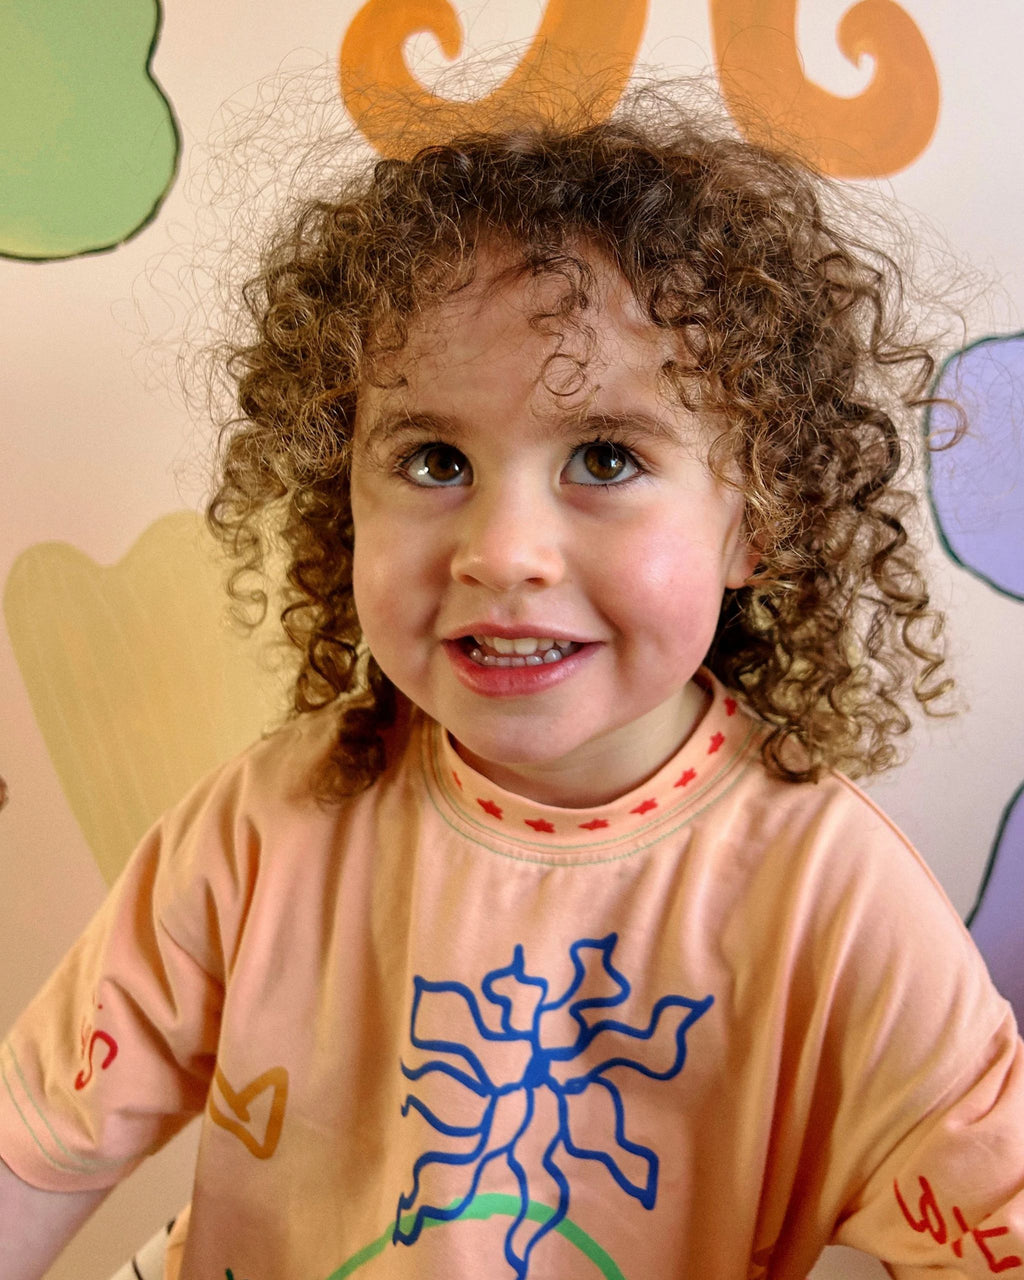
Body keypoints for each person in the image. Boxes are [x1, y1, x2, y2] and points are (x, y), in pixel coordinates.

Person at [2, 89, 1023, 1280]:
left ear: (759, 519)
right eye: (434, 458)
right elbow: (35, 1143)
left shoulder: (832, 901)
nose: (501, 549)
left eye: (605, 456)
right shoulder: (267, 823)